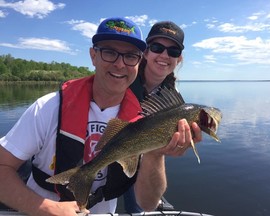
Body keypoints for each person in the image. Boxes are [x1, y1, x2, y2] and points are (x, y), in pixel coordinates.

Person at [0, 17, 201, 216]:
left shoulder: (141, 120)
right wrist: (46, 208)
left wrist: (156, 153)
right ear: (93, 56)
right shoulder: (47, 108)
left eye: (130, 56)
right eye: (109, 52)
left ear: (139, 62)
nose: (120, 64)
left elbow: (147, 204)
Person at [124, 21, 202, 213]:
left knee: (143, 206)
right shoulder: (123, 78)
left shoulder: (172, 94)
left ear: (179, 59)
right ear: (146, 52)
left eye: (173, 52)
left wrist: (163, 147)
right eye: (157, 48)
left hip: (141, 154)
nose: (165, 55)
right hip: (111, 146)